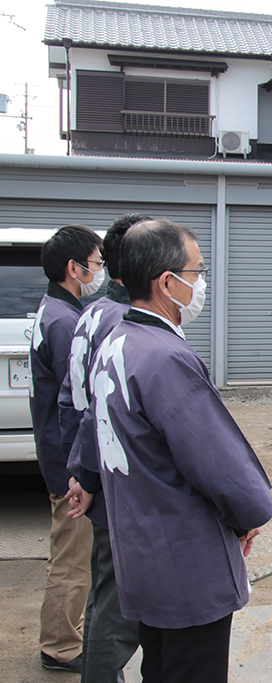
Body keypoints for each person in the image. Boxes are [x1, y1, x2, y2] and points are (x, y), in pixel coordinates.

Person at [90, 219, 272, 682]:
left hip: (143, 549)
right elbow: (217, 462)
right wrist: (249, 512)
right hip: (185, 562)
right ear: (167, 283)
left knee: (163, 666)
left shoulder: (117, 341)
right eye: (197, 270)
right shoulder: (164, 357)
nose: (202, 282)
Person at [62, 212, 150, 683]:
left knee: (105, 593)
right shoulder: (121, 318)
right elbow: (105, 410)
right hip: (114, 477)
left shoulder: (94, 311)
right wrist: (90, 475)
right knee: (116, 605)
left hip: (97, 468)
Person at [30, 224, 103, 672]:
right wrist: (80, 471)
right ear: (74, 269)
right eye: (96, 264)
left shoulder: (53, 310)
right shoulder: (66, 323)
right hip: (67, 466)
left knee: (71, 555)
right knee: (73, 560)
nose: (99, 271)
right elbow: (74, 403)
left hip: (57, 457)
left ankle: (64, 637)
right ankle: (60, 646)